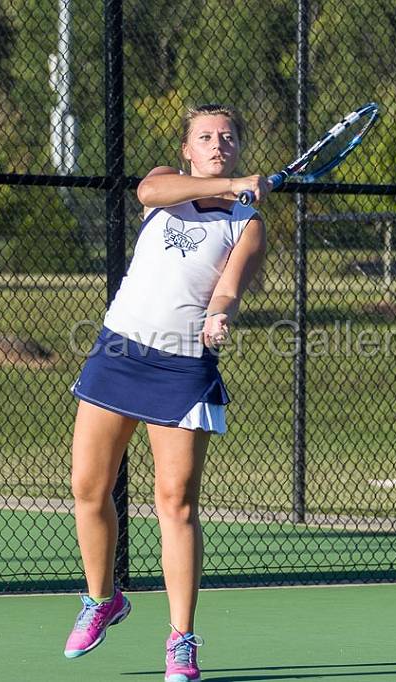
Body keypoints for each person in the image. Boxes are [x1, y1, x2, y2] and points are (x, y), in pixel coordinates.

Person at [63, 103, 269, 682]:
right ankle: (102, 599)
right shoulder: (163, 184)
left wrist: (220, 316)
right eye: (205, 136)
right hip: (118, 352)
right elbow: (147, 192)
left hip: (182, 368)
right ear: (187, 149)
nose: (217, 143)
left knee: (175, 503)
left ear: (239, 146)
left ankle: (182, 640)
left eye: (228, 137)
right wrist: (229, 185)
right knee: (88, 487)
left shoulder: (246, 223)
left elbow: (230, 287)